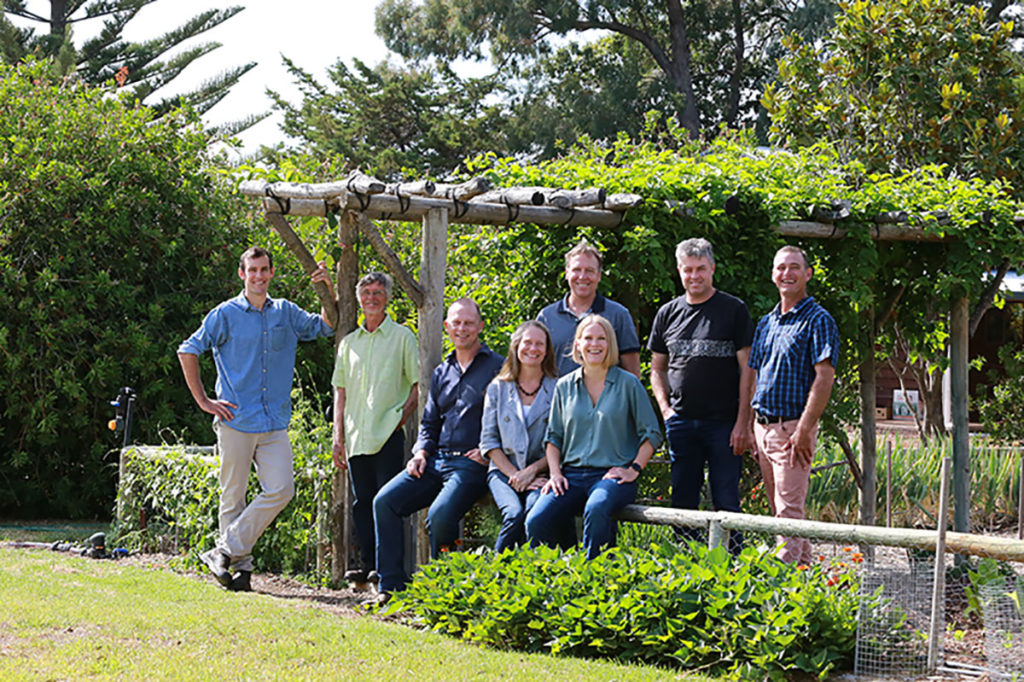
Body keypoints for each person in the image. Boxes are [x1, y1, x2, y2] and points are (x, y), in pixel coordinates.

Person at [178, 247, 335, 592]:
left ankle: (224, 551)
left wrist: (328, 291)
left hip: (274, 421)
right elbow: (188, 349)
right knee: (232, 496)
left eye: (264, 270)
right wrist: (204, 401)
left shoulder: (286, 313)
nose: (259, 276)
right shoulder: (225, 314)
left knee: (281, 489)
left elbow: (325, 326)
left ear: (272, 272)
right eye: (252, 270)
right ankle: (240, 571)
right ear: (242, 274)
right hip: (235, 418)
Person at [372, 298, 503, 602]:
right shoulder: (442, 371)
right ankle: (391, 588)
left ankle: (444, 594)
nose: (462, 328)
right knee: (384, 502)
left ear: (480, 327)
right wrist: (419, 452)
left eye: (469, 322)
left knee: (442, 515)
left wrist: (489, 451)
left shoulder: (498, 367)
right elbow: (429, 422)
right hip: (435, 460)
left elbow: (509, 418)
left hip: (473, 465)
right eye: (456, 323)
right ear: (447, 328)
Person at [649, 238, 755, 553]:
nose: (694, 276)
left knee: (725, 499)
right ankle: (684, 564)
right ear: (679, 272)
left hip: (724, 424)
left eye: (700, 269)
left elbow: (749, 369)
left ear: (712, 269)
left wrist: (742, 423)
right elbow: (657, 369)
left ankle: (732, 567)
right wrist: (666, 411)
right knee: (683, 501)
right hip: (681, 422)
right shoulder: (667, 313)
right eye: (688, 270)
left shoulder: (733, 310)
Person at [525, 314, 662, 559]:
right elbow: (553, 437)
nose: (594, 344)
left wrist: (633, 469)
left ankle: (594, 580)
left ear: (610, 344)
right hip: (571, 477)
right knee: (536, 519)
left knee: (597, 507)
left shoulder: (628, 384)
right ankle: (551, 579)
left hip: (612, 477)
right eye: (588, 338)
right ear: (577, 344)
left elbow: (651, 434)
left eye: (601, 338)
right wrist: (555, 474)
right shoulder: (565, 386)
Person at [749, 245, 839, 565]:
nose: (786, 273)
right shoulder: (767, 323)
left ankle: (782, 596)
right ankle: (806, 578)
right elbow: (756, 374)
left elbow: (824, 378)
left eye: (794, 267)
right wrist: (751, 427)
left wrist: (804, 430)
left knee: (788, 514)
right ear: (773, 275)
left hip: (791, 430)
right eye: (780, 268)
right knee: (780, 513)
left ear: (807, 274)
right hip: (763, 427)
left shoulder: (818, 320)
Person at [331, 272, 418, 584]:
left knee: (388, 503)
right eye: (366, 292)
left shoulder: (403, 337)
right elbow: (340, 391)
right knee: (361, 504)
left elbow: (418, 384)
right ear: (358, 298)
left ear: (388, 297)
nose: (371, 298)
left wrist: (400, 419)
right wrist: (338, 436)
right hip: (356, 438)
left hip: (388, 436)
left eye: (378, 292)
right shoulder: (348, 344)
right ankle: (368, 564)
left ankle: (388, 570)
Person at [479, 321, 558, 553]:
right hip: (503, 472)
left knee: (536, 513)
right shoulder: (497, 388)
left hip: (543, 473)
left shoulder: (558, 388)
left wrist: (531, 472)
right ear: (516, 346)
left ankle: (534, 577)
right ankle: (494, 576)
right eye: (527, 343)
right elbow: (489, 441)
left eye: (539, 344)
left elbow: (560, 441)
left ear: (546, 350)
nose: (533, 349)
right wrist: (516, 476)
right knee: (513, 514)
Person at [538, 240, 642, 378]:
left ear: (599, 276)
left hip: (606, 399)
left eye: (589, 271)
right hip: (557, 398)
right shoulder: (547, 317)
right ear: (567, 273)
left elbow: (632, 374)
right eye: (576, 270)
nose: (582, 276)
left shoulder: (618, 315)